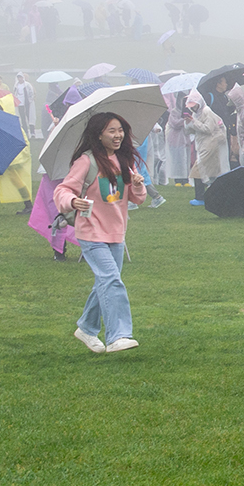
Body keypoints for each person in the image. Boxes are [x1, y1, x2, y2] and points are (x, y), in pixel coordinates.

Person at [55, 111, 149, 353]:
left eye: (120, 130)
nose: (118, 135)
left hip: (116, 233)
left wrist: (138, 186)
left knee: (105, 282)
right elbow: (63, 191)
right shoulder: (86, 161)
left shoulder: (125, 161)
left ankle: (86, 327)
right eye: (112, 131)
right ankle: (119, 336)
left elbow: (137, 199)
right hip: (91, 232)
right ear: (98, 135)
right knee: (111, 280)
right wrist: (73, 201)